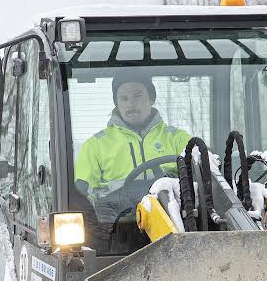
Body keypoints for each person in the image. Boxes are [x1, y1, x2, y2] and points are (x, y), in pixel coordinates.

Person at [74, 69, 193, 200]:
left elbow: (199, 180)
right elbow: (83, 197)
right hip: (117, 219)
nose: (130, 103)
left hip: (174, 217)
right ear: (117, 104)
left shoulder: (179, 139)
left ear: (152, 98)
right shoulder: (95, 146)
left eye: (137, 95)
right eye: (124, 98)